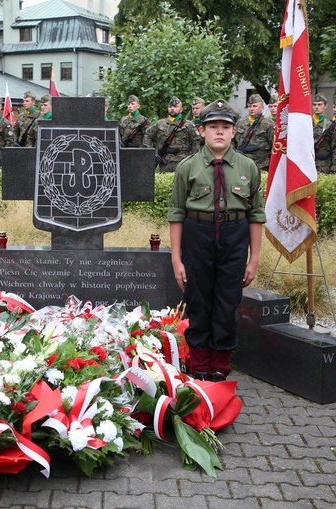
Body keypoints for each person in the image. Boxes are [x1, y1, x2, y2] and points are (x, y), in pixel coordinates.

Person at [168, 98, 265, 381]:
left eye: (225, 127)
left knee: (227, 302)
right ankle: (199, 364)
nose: (219, 132)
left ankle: (220, 365)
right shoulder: (188, 168)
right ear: (201, 131)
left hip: (235, 236)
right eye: (213, 127)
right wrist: (176, 258)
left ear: (235, 132)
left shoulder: (248, 167)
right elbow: (176, 212)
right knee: (198, 299)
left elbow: (256, 214)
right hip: (198, 235)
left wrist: (254, 258)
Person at [143, 96, 199, 172]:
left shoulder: (188, 125)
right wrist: (152, 153)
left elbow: (196, 142)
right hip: (165, 164)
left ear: (181, 109)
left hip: (183, 164)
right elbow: (148, 135)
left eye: (175, 106)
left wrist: (192, 160)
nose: (172, 108)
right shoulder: (160, 123)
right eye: (170, 106)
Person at [233, 94, 274, 171]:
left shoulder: (268, 124)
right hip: (242, 165)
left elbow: (274, 146)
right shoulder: (240, 123)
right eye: (249, 106)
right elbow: (232, 142)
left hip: (261, 166)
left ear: (262, 107)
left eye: (255, 106)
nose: (251, 109)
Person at [311, 93, 333, 174]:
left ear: (325, 106)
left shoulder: (329, 125)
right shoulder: (306, 123)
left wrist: (334, 166)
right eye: (314, 105)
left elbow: (335, 146)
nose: (316, 107)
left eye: (320, 104)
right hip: (308, 162)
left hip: (323, 164)